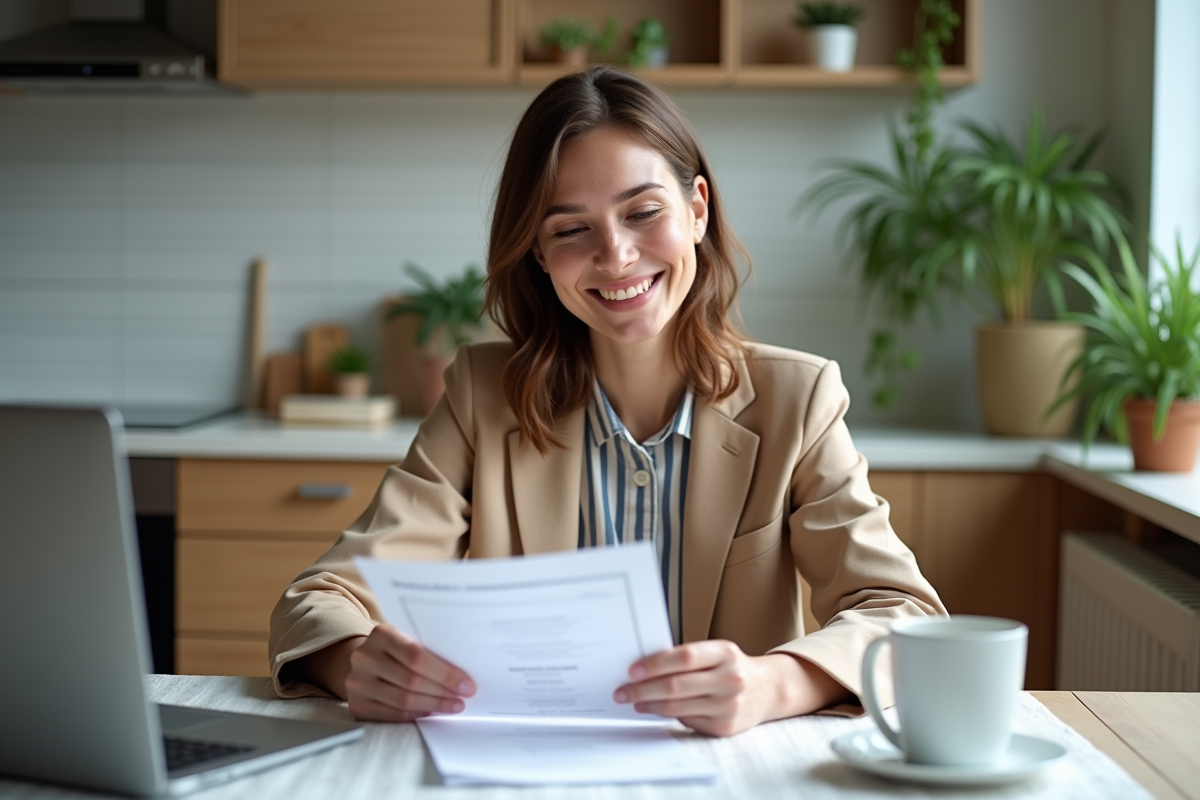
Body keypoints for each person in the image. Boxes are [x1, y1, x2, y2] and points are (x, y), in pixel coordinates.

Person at [269, 66, 946, 737]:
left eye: (643, 213)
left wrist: (774, 683)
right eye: (571, 230)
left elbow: (905, 615)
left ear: (698, 210)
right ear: (537, 251)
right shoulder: (483, 396)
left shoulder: (797, 399)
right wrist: (353, 661)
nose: (616, 256)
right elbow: (318, 600)